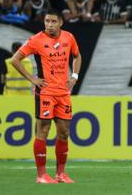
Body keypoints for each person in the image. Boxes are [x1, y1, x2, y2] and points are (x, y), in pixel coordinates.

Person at [10, 9, 82, 184]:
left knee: (64, 133)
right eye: (47, 21)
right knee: (43, 131)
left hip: (63, 93)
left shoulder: (69, 38)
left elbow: (77, 56)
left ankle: (61, 174)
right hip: (45, 93)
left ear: (61, 23)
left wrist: (74, 77)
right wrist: (32, 79)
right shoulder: (36, 40)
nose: (49, 25)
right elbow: (15, 59)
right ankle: (41, 175)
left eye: (53, 21)